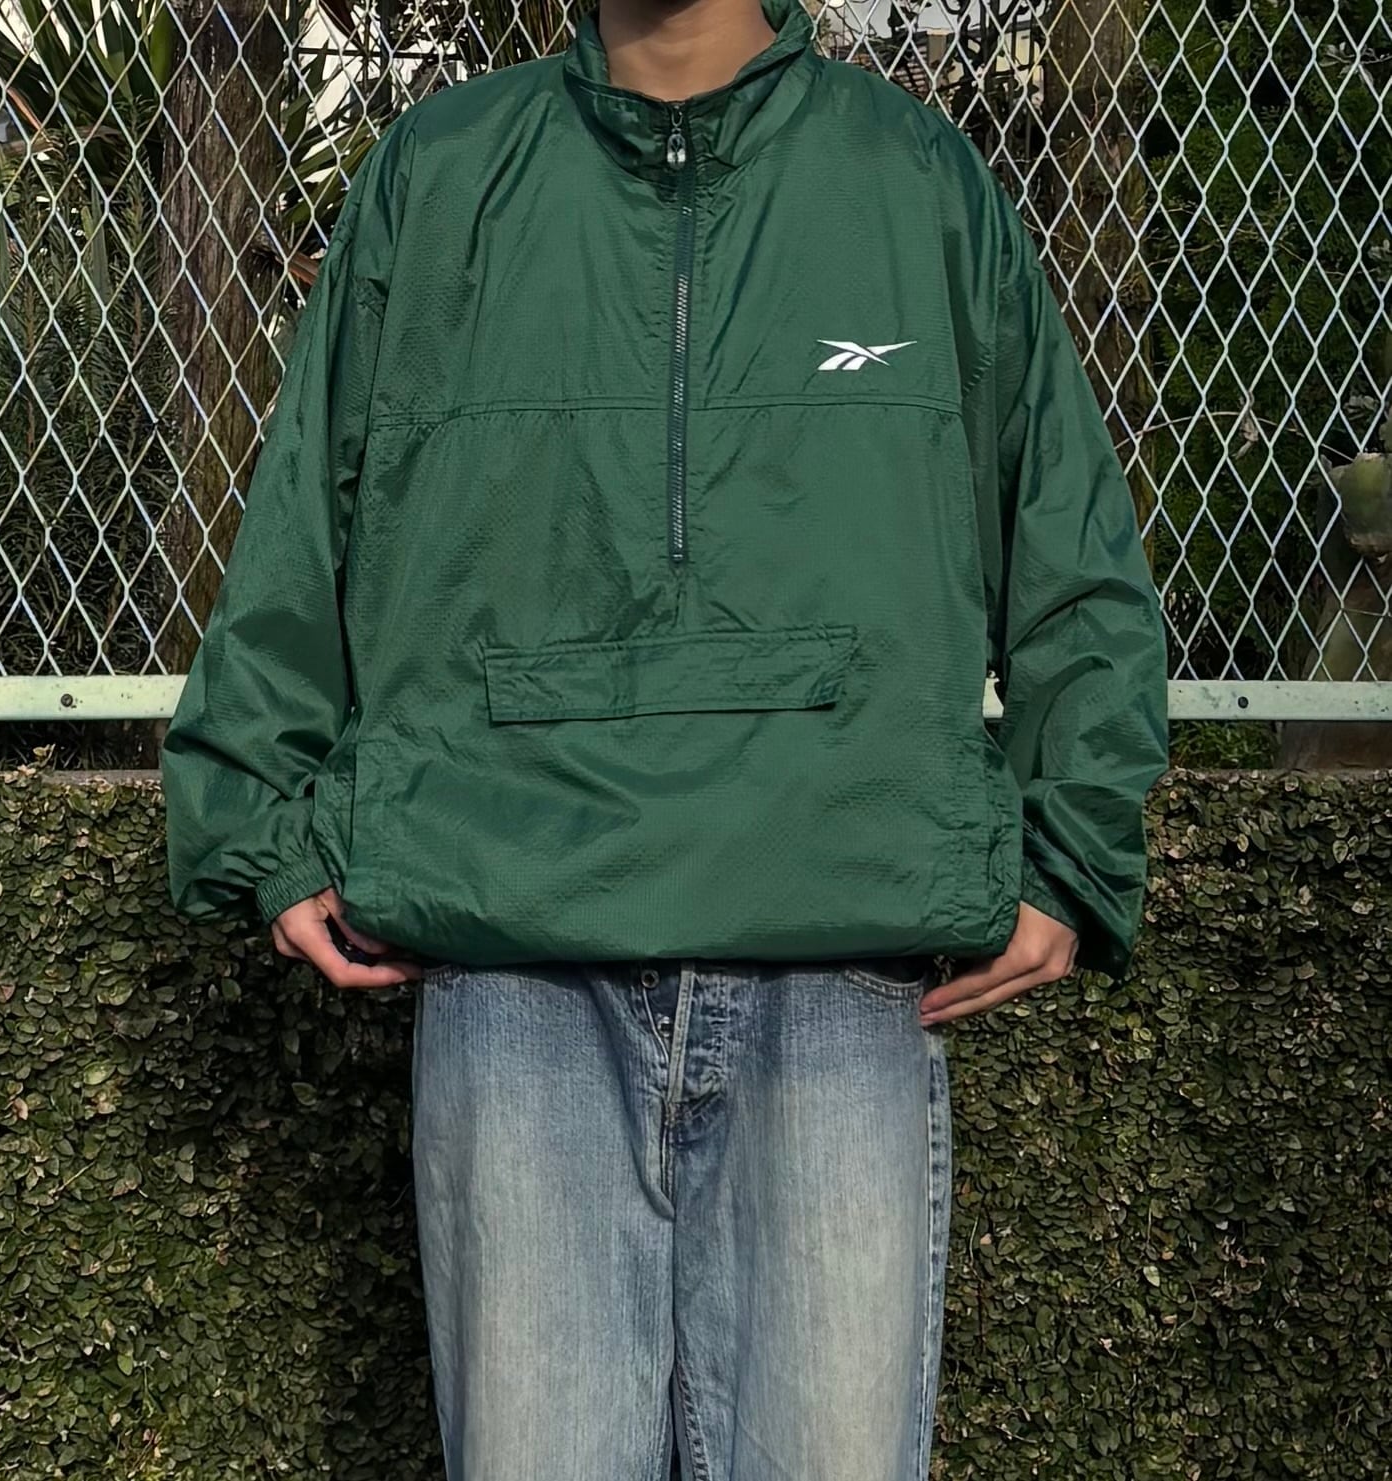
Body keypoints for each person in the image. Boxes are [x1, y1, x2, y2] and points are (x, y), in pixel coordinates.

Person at [160, 0, 1170, 1475]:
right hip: (515, 936)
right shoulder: (439, 176)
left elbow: (1066, 533)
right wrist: (258, 811)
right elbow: (308, 506)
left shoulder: (914, 180)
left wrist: (1074, 848)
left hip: (840, 943)